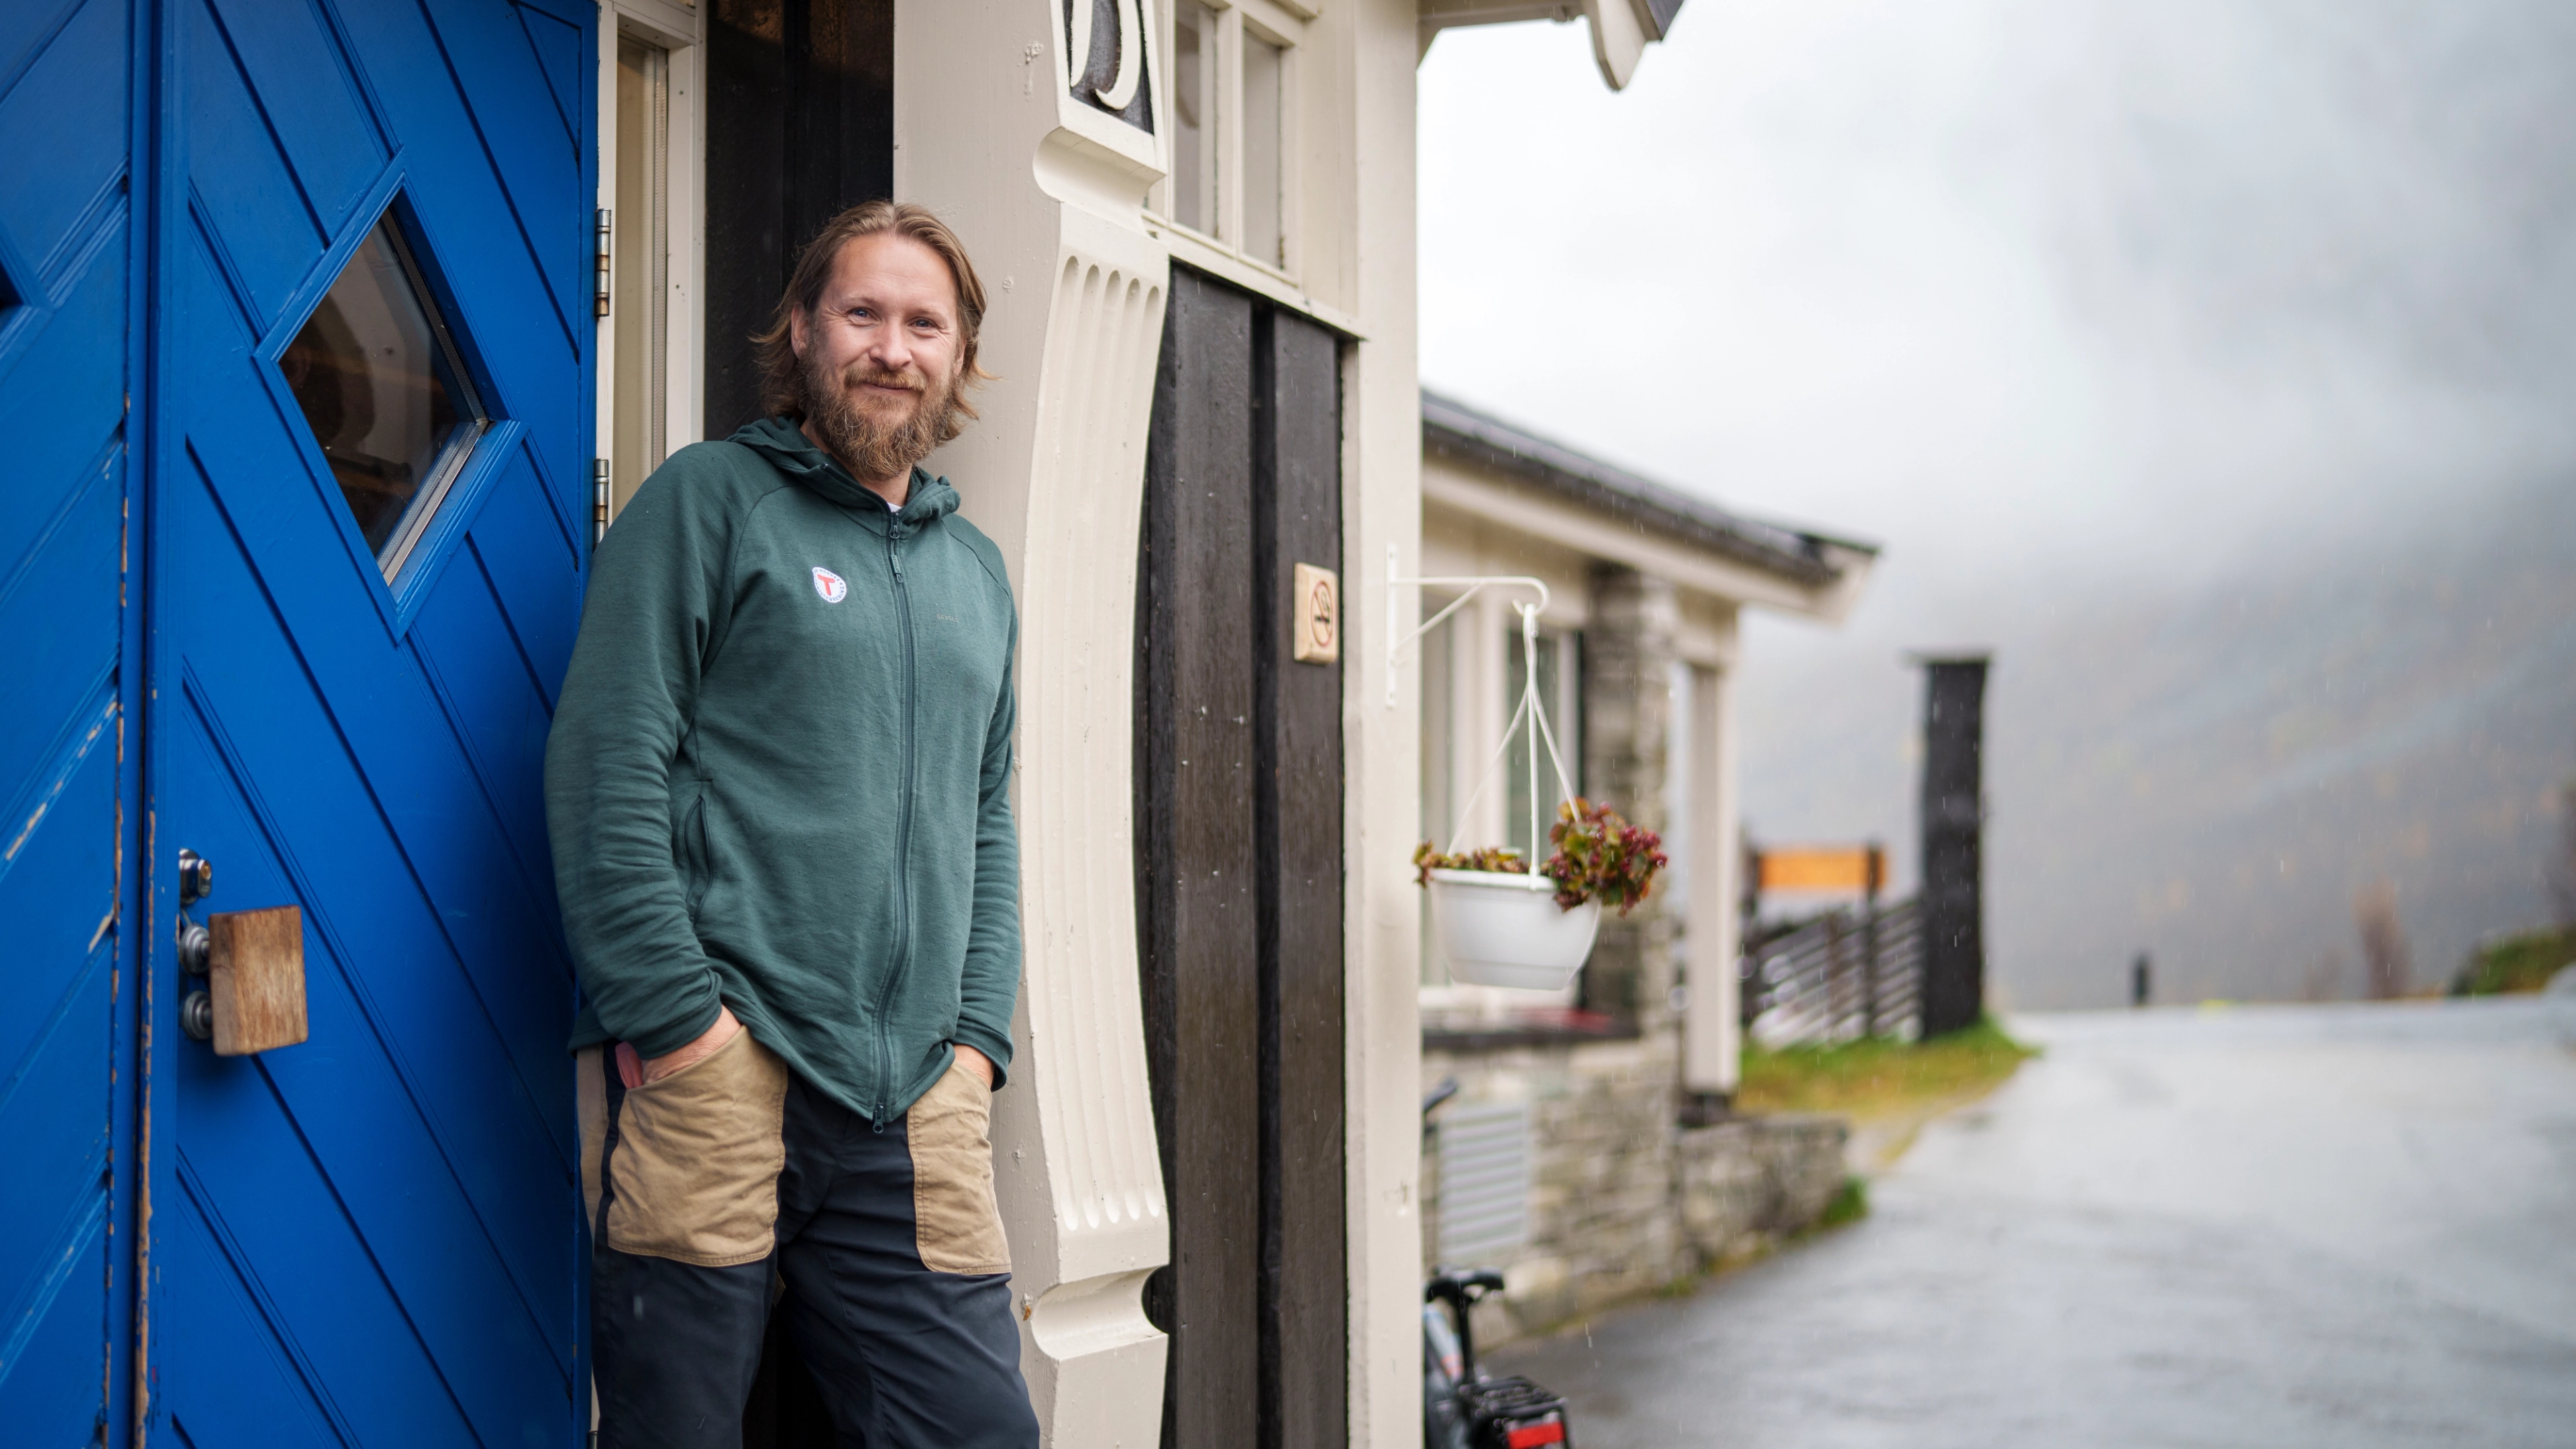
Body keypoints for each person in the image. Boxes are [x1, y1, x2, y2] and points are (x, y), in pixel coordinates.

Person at [545, 200, 1038, 1449]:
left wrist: (976, 1041)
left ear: (960, 357)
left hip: (918, 1093)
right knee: (680, 1431)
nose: (892, 346)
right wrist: (678, 1021)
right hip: (725, 1060)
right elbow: (608, 765)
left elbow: (987, 818)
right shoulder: (710, 502)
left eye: (925, 323)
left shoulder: (973, 571)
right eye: (862, 313)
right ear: (806, 334)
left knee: (978, 1431)